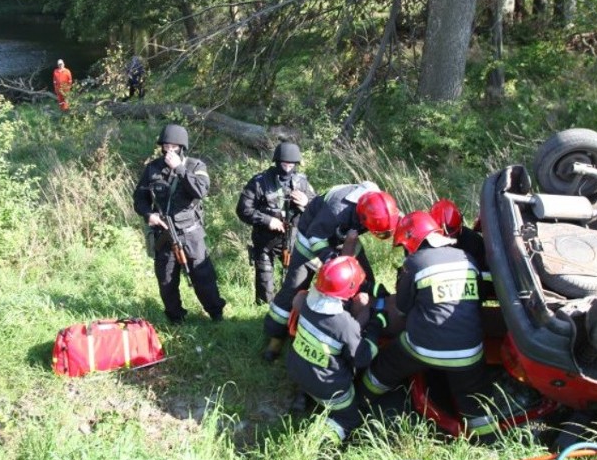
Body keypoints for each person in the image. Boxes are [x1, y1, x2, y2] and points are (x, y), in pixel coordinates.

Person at [361, 211, 498, 442]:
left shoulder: (414, 263)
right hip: (469, 353)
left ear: (412, 241)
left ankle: (360, 402)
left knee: (385, 366)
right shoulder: (468, 258)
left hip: (424, 348)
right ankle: (490, 443)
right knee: (474, 399)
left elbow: (403, 308)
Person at [262, 182, 400, 362]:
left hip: (346, 237)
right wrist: (332, 261)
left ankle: (355, 327)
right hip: (311, 240)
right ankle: (275, 340)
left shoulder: (379, 205)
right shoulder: (337, 208)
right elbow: (315, 237)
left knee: (364, 277)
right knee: (294, 288)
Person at [132, 123, 227, 323]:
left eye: (174, 146)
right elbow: (139, 198)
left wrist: (180, 169)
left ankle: (216, 314)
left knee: (203, 276)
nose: (169, 150)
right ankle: (175, 318)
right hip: (163, 232)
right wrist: (148, 214)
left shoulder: (196, 166)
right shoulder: (152, 168)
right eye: (166, 146)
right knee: (166, 279)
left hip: (190, 232)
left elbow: (200, 191)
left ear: (182, 147)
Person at [286, 255, 382, 443]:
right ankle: (320, 443)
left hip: (296, 370)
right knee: (350, 418)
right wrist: (376, 325)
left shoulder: (306, 303)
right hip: (328, 387)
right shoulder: (344, 325)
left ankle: (303, 396)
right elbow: (363, 358)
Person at [236, 142, 316, 305]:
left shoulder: (302, 182)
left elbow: (318, 208)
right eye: (284, 164)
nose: (287, 168)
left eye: (291, 164)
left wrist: (307, 202)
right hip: (265, 240)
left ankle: (291, 311)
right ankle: (263, 312)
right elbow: (243, 209)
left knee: (295, 281)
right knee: (265, 282)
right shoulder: (259, 182)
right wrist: (267, 220)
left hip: (294, 239)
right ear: (277, 162)